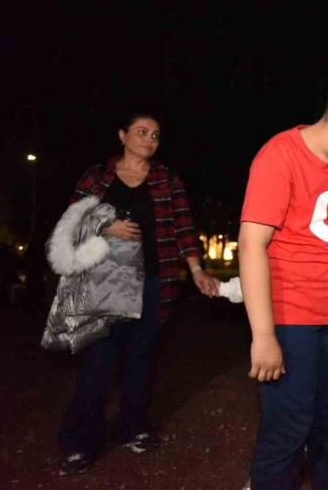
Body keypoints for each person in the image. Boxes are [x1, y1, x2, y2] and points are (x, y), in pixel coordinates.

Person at [238, 64, 328, 489]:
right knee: (289, 428)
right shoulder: (280, 155)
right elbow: (251, 246)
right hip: (292, 319)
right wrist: (264, 335)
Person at [58, 113, 219, 476]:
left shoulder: (166, 179)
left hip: (153, 282)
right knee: (99, 362)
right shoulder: (97, 177)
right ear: (122, 135)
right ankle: (79, 443)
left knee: (140, 360)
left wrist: (195, 270)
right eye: (141, 132)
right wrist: (106, 224)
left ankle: (134, 427)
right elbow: (71, 221)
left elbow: (183, 227)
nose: (149, 139)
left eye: (156, 135)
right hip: (104, 283)